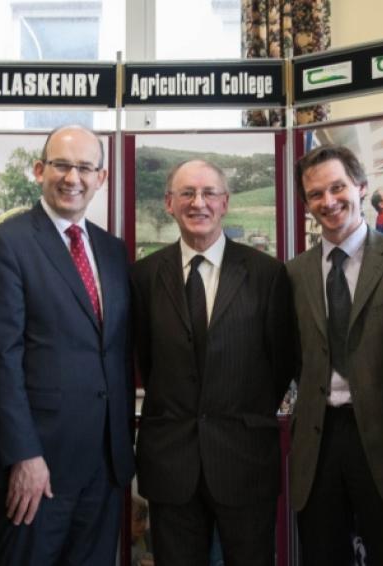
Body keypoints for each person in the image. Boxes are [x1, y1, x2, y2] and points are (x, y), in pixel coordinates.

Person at [0, 125, 134, 566]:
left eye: (85, 167)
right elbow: (0, 360)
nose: (73, 178)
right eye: (62, 165)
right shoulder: (7, 245)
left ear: (101, 178)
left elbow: (115, 353)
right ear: (39, 170)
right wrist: (23, 454)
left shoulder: (111, 251)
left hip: (104, 467)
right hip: (38, 469)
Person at [131, 159, 296, 566]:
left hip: (245, 459)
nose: (197, 203)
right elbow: (146, 361)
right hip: (171, 464)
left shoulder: (267, 274)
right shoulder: (143, 276)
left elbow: (282, 362)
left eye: (208, 194)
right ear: (169, 203)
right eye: (186, 193)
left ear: (225, 203)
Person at [287, 145, 383, 566]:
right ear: (305, 203)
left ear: (360, 186)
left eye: (338, 187)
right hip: (318, 442)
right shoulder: (294, 272)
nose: (329, 201)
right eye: (316, 194)